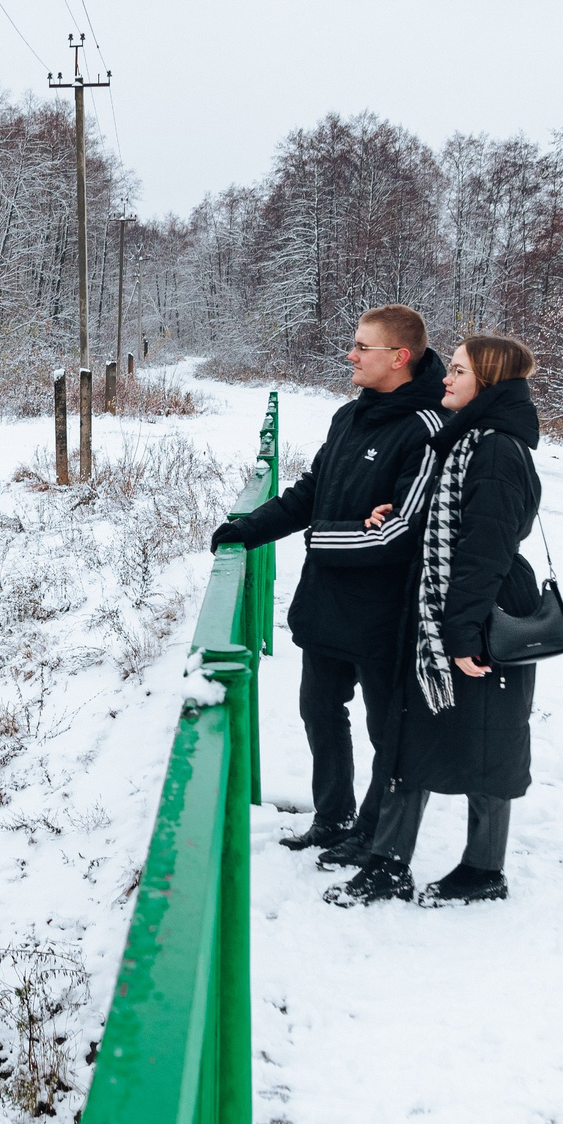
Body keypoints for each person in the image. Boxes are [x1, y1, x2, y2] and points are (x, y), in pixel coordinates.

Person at [209, 305, 447, 857]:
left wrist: (320, 539)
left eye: (363, 347)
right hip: (326, 608)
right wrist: (248, 530)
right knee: (319, 711)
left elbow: (400, 535)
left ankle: (375, 833)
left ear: (399, 357)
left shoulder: (428, 430)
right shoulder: (349, 416)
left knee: (387, 733)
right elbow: (311, 490)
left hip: (386, 615)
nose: (351, 355)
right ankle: (333, 818)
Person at [327, 332, 545, 907]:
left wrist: (465, 632)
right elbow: (456, 521)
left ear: (488, 385)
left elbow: (486, 547)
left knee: (489, 742)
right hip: (447, 605)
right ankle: (388, 863)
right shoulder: (469, 440)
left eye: (458, 372)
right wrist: (402, 512)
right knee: (412, 731)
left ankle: (483, 870)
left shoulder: (496, 448)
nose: (445, 378)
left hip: (481, 610)